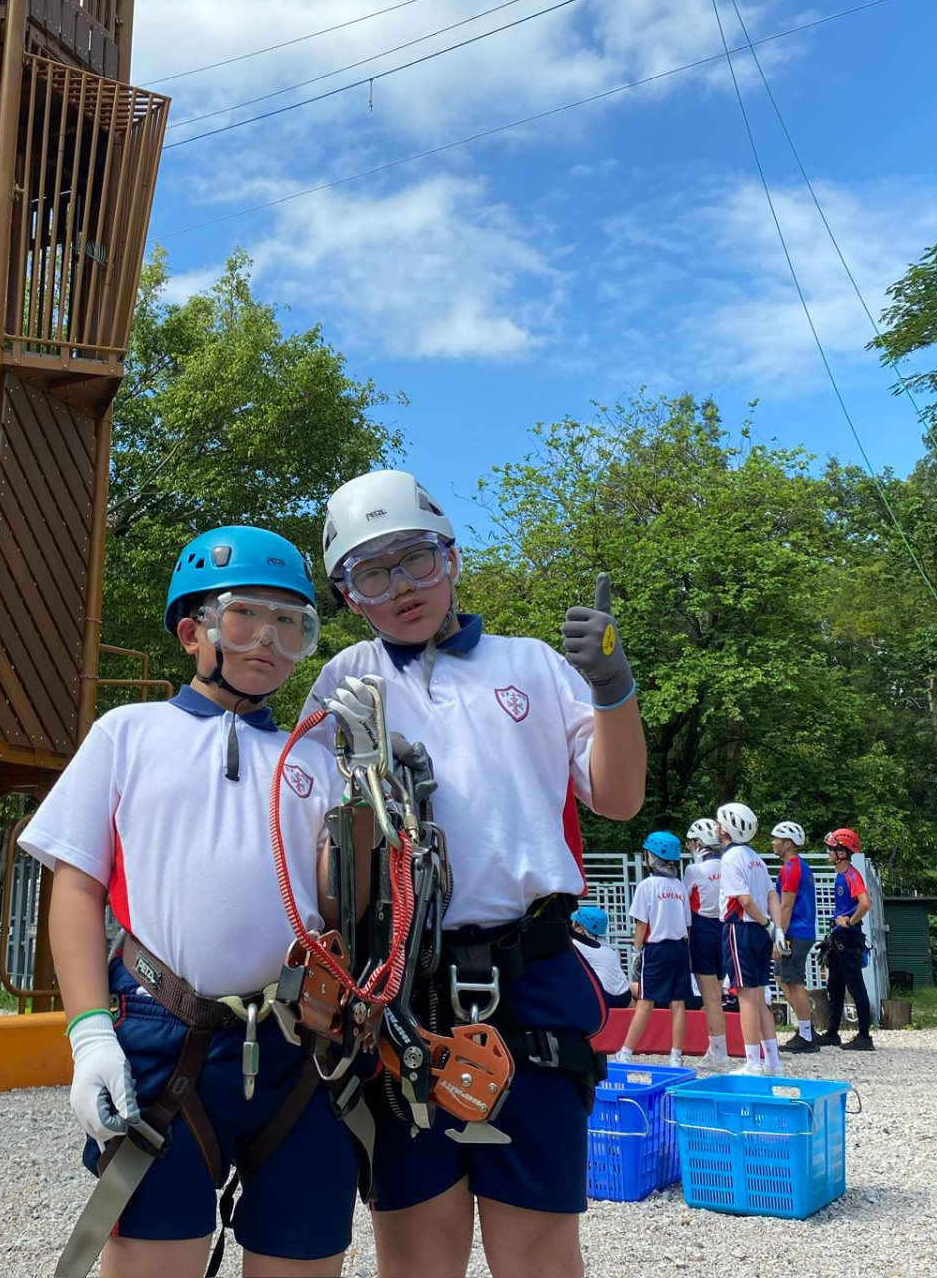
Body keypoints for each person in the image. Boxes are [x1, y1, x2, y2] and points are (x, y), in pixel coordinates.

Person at [302, 469, 647, 1278]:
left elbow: (620, 798)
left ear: (452, 557)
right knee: (418, 1257)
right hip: (404, 989)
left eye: (416, 559)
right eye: (372, 573)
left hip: (530, 979)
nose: (402, 588)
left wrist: (611, 688)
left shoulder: (528, 665)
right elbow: (326, 872)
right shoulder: (347, 682)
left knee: (539, 1255)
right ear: (350, 597)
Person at [23, 526, 357, 1278]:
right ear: (191, 631)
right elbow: (75, 885)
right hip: (161, 1033)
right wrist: (87, 1036)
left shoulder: (317, 757)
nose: (269, 639)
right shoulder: (129, 734)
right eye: (245, 615)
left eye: (292, 623)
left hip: (300, 1044)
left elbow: (344, 908)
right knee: (149, 1262)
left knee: (304, 1262)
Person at [716, 802, 780, 1076]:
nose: (716, 828)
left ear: (727, 828)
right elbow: (771, 896)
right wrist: (776, 929)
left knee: (746, 999)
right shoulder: (756, 857)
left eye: (719, 823)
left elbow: (743, 899)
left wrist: (765, 922)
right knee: (758, 997)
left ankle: (752, 1063)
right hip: (763, 933)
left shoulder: (730, 858)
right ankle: (773, 1063)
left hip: (740, 928)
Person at [617, 831, 690, 1065]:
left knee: (645, 1001)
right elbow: (688, 925)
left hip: (655, 950)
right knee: (678, 1003)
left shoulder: (647, 886)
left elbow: (641, 924)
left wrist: (636, 952)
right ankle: (676, 1056)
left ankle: (626, 1053)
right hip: (680, 948)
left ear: (653, 857)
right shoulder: (679, 887)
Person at [821, 828, 875, 1053]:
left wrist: (850, 921)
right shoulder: (842, 875)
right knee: (835, 984)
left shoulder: (852, 875)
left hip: (848, 937)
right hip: (839, 936)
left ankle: (864, 1036)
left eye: (832, 848)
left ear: (842, 852)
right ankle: (832, 1033)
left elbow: (865, 902)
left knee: (855, 986)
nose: (828, 852)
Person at [682, 817, 730, 1066]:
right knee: (718, 994)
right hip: (725, 927)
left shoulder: (694, 870)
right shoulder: (728, 865)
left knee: (709, 997)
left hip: (702, 929)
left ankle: (719, 1052)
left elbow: (684, 903)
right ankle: (718, 1048)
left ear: (699, 843)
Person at [771, 821, 819, 1054]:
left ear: (787, 843)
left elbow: (786, 905)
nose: (773, 843)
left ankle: (807, 1036)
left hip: (794, 931)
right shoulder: (803, 866)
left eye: (776, 839)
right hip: (802, 930)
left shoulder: (790, 868)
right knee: (781, 977)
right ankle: (806, 1027)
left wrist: (778, 935)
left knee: (792, 981)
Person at [569, 906, 631, 1007]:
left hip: (604, 997)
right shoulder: (607, 947)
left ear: (580, 928)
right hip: (624, 997)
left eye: (574, 923)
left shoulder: (577, 944)